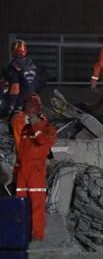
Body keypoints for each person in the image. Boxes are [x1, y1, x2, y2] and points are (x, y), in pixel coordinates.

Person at [14, 94, 56, 240]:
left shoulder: (48, 129)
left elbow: (42, 142)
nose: (29, 114)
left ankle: (37, 234)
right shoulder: (26, 130)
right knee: (20, 205)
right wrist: (17, 169)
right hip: (23, 171)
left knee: (36, 205)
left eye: (31, 110)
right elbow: (22, 151)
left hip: (36, 172)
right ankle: (21, 233)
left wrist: (36, 126)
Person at [6, 40, 47, 113]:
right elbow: (41, 81)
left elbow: (15, 88)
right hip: (33, 101)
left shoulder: (14, 66)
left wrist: (11, 105)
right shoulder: (36, 65)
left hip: (21, 103)